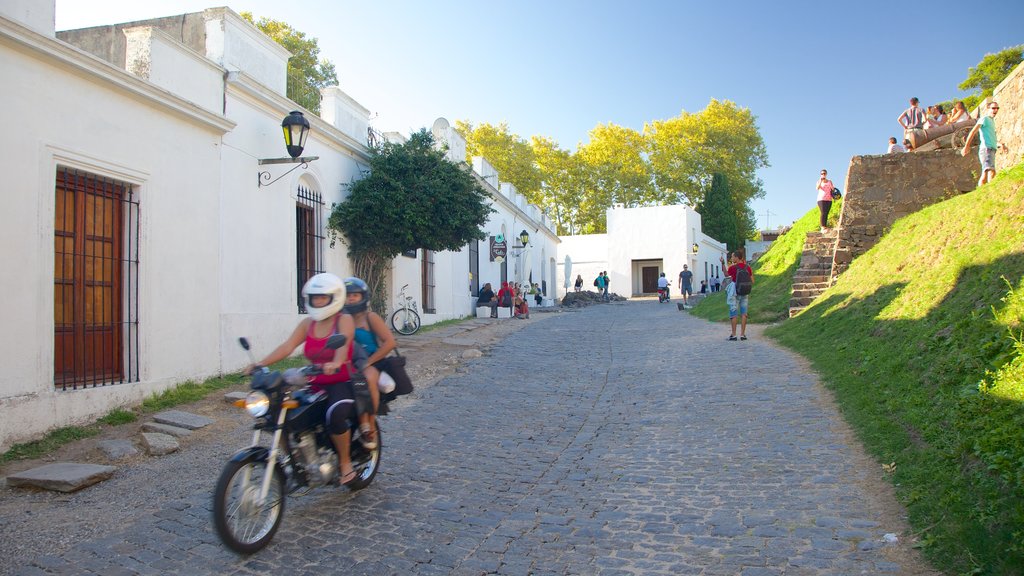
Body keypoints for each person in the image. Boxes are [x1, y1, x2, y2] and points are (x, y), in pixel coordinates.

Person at [247, 273, 365, 485]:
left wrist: (336, 362)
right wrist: (261, 364)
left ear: (334, 298)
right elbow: (287, 346)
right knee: (282, 415)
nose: (318, 301)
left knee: (335, 415)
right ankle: (297, 461)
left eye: (323, 297)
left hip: (341, 381)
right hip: (315, 382)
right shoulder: (307, 324)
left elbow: (343, 344)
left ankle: (346, 464)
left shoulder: (344, 320)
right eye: (314, 298)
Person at [342, 277, 391, 445]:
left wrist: (369, 361)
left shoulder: (371, 317)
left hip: (371, 361)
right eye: (348, 295)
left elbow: (390, 342)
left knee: (366, 379)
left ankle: (369, 422)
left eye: (355, 295)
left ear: (363, 297)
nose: (351, 299)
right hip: (347, 362)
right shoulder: (340, 319)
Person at [961, 101, 1007, 187]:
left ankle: (985, 192)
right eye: (993, 108)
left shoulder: (991, 121)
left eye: (997, 108)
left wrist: (1001, 145)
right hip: (986, 149)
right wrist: (966, 146)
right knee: (990, 171)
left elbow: (991, 138)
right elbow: (973, 131)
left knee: (986, 173)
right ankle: (991, 191)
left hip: (991, 149)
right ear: (988, 109)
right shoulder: (984, 119)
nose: (996, 110)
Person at [721, 249, 754, 341]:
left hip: (735, 292)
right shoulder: (747, 267)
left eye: (732, 256)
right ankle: (743, 335)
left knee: (734, 314)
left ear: (736, 257)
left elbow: (726, 274)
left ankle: (734, 334)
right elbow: (752, 281)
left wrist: (723, 263)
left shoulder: (733, 267)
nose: (731, 258)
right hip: (745, 292)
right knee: (744, 314)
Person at [816, 169, 835, 233]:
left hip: (829, 199)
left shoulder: (830, 181)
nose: (823, 175)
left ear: (826, 174)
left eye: (824, 173)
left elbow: (833, 189)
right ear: (820, 175)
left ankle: (825, 226)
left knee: (826, 213)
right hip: (821, 199)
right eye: (822, 174)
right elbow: (817, 188)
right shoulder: (819, 181)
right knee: (823, 212)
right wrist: (821, 181)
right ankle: (822, 227)